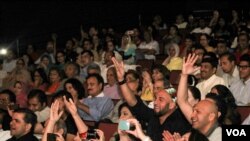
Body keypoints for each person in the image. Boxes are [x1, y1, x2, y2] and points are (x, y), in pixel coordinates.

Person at [112, 57, 191, 141]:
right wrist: (121, 80)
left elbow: (183, 101)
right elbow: (133, 102)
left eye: (161, 99)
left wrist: (184, 75)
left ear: (172, 104)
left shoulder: (181, 121)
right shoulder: (153, 117)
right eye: (155, 98)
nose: (156, 102)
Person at [177, 54, 222, 141]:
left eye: (197, 112)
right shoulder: (200, 124)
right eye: (193, 110)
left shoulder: (219, 136)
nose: (192, 115)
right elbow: (182, 101)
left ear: (211, 116)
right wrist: (184, 75)